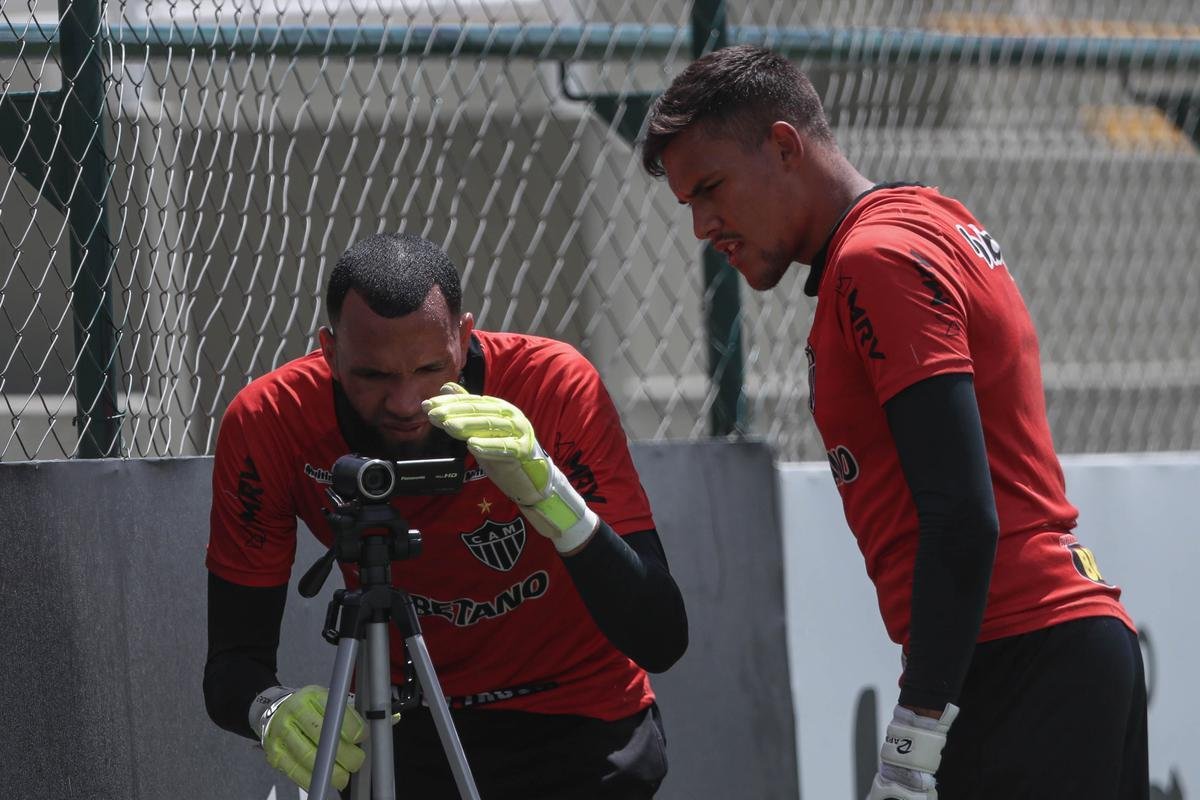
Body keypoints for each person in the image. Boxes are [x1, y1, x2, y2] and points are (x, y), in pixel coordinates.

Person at [641, 45, 1147, 800]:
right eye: (687, 204)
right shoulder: (925, 218)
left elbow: (960, 514)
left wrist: (916, 732)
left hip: (1023, 661)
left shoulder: (876, 259)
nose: (703, 226)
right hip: (1050, 652)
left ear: (785, 145)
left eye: (711, 188)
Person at [203, 232, 688, 799]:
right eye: (373, 376)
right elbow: (232, 665)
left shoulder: (551, 385)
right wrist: (273, 711)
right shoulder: (272, 419)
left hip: (581, 719)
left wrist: (549, 494)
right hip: (406, 724)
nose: (406, 403)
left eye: (431, 367)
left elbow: (661, 636)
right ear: (329, 352)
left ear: (464, 336)